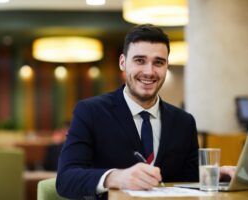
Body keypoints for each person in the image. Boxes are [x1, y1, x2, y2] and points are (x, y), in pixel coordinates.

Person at [56, 24, 235, 200]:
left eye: (158, 62)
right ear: (122, 62)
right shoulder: (90, 111)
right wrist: (116, 177)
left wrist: (214, 175)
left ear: (166, 66)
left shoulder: (184, 121)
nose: (149, 72)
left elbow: (188, 178)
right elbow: (65, 179)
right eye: (140, 60)